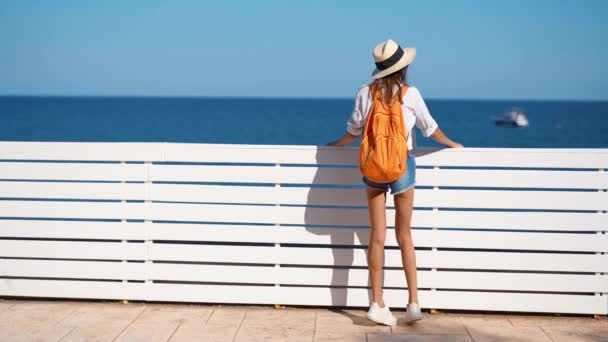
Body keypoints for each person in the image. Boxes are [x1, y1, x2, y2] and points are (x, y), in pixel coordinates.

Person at [327, 39, 462, 326]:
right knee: (405, 235)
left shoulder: (365, 92)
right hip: (403, 167)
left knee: (377, 236)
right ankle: (413, 303)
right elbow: (431, 129)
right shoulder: (410, 95)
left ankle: (377, 303)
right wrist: (452, 144)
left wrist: (335, 145)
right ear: (404, 67)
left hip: (374, 168)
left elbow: (353, 130)